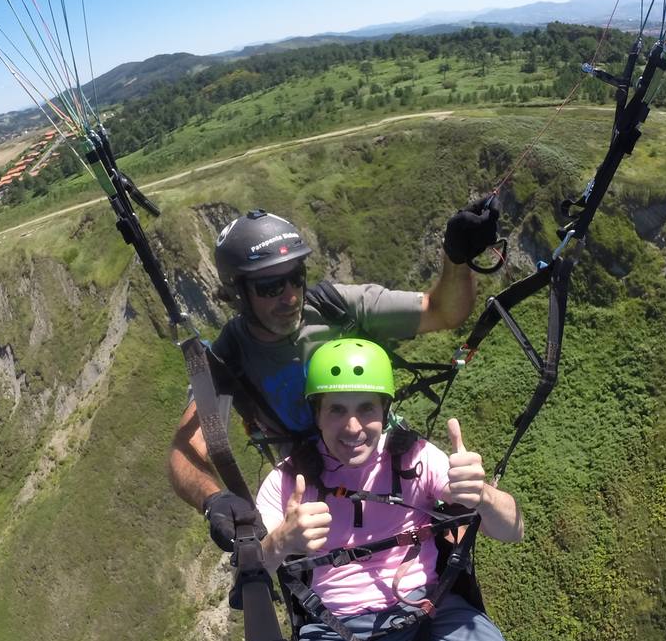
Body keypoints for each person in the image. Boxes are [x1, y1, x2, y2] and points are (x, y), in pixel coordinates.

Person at [256, 339, 576, 641]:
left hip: (431, 613)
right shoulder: (288, 482)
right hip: (332, 632)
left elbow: (513, 529)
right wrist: (280, 542)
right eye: (337, 409)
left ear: (384, 411)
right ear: (316, 414)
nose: (353, 427)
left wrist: (482, 495)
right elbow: (253, 573)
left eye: (366, 408)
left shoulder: (416, 459)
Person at [167, 201, 502, 550]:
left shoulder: (333, 306)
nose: (290, 296)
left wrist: (456, 259)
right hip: (312, 488)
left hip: (385, 456)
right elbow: (185, 451)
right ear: (237, 293)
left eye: (295, 277)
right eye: (270, 287)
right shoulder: (227, 358)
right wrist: (214, 501)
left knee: (452, 552)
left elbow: (443, 311)